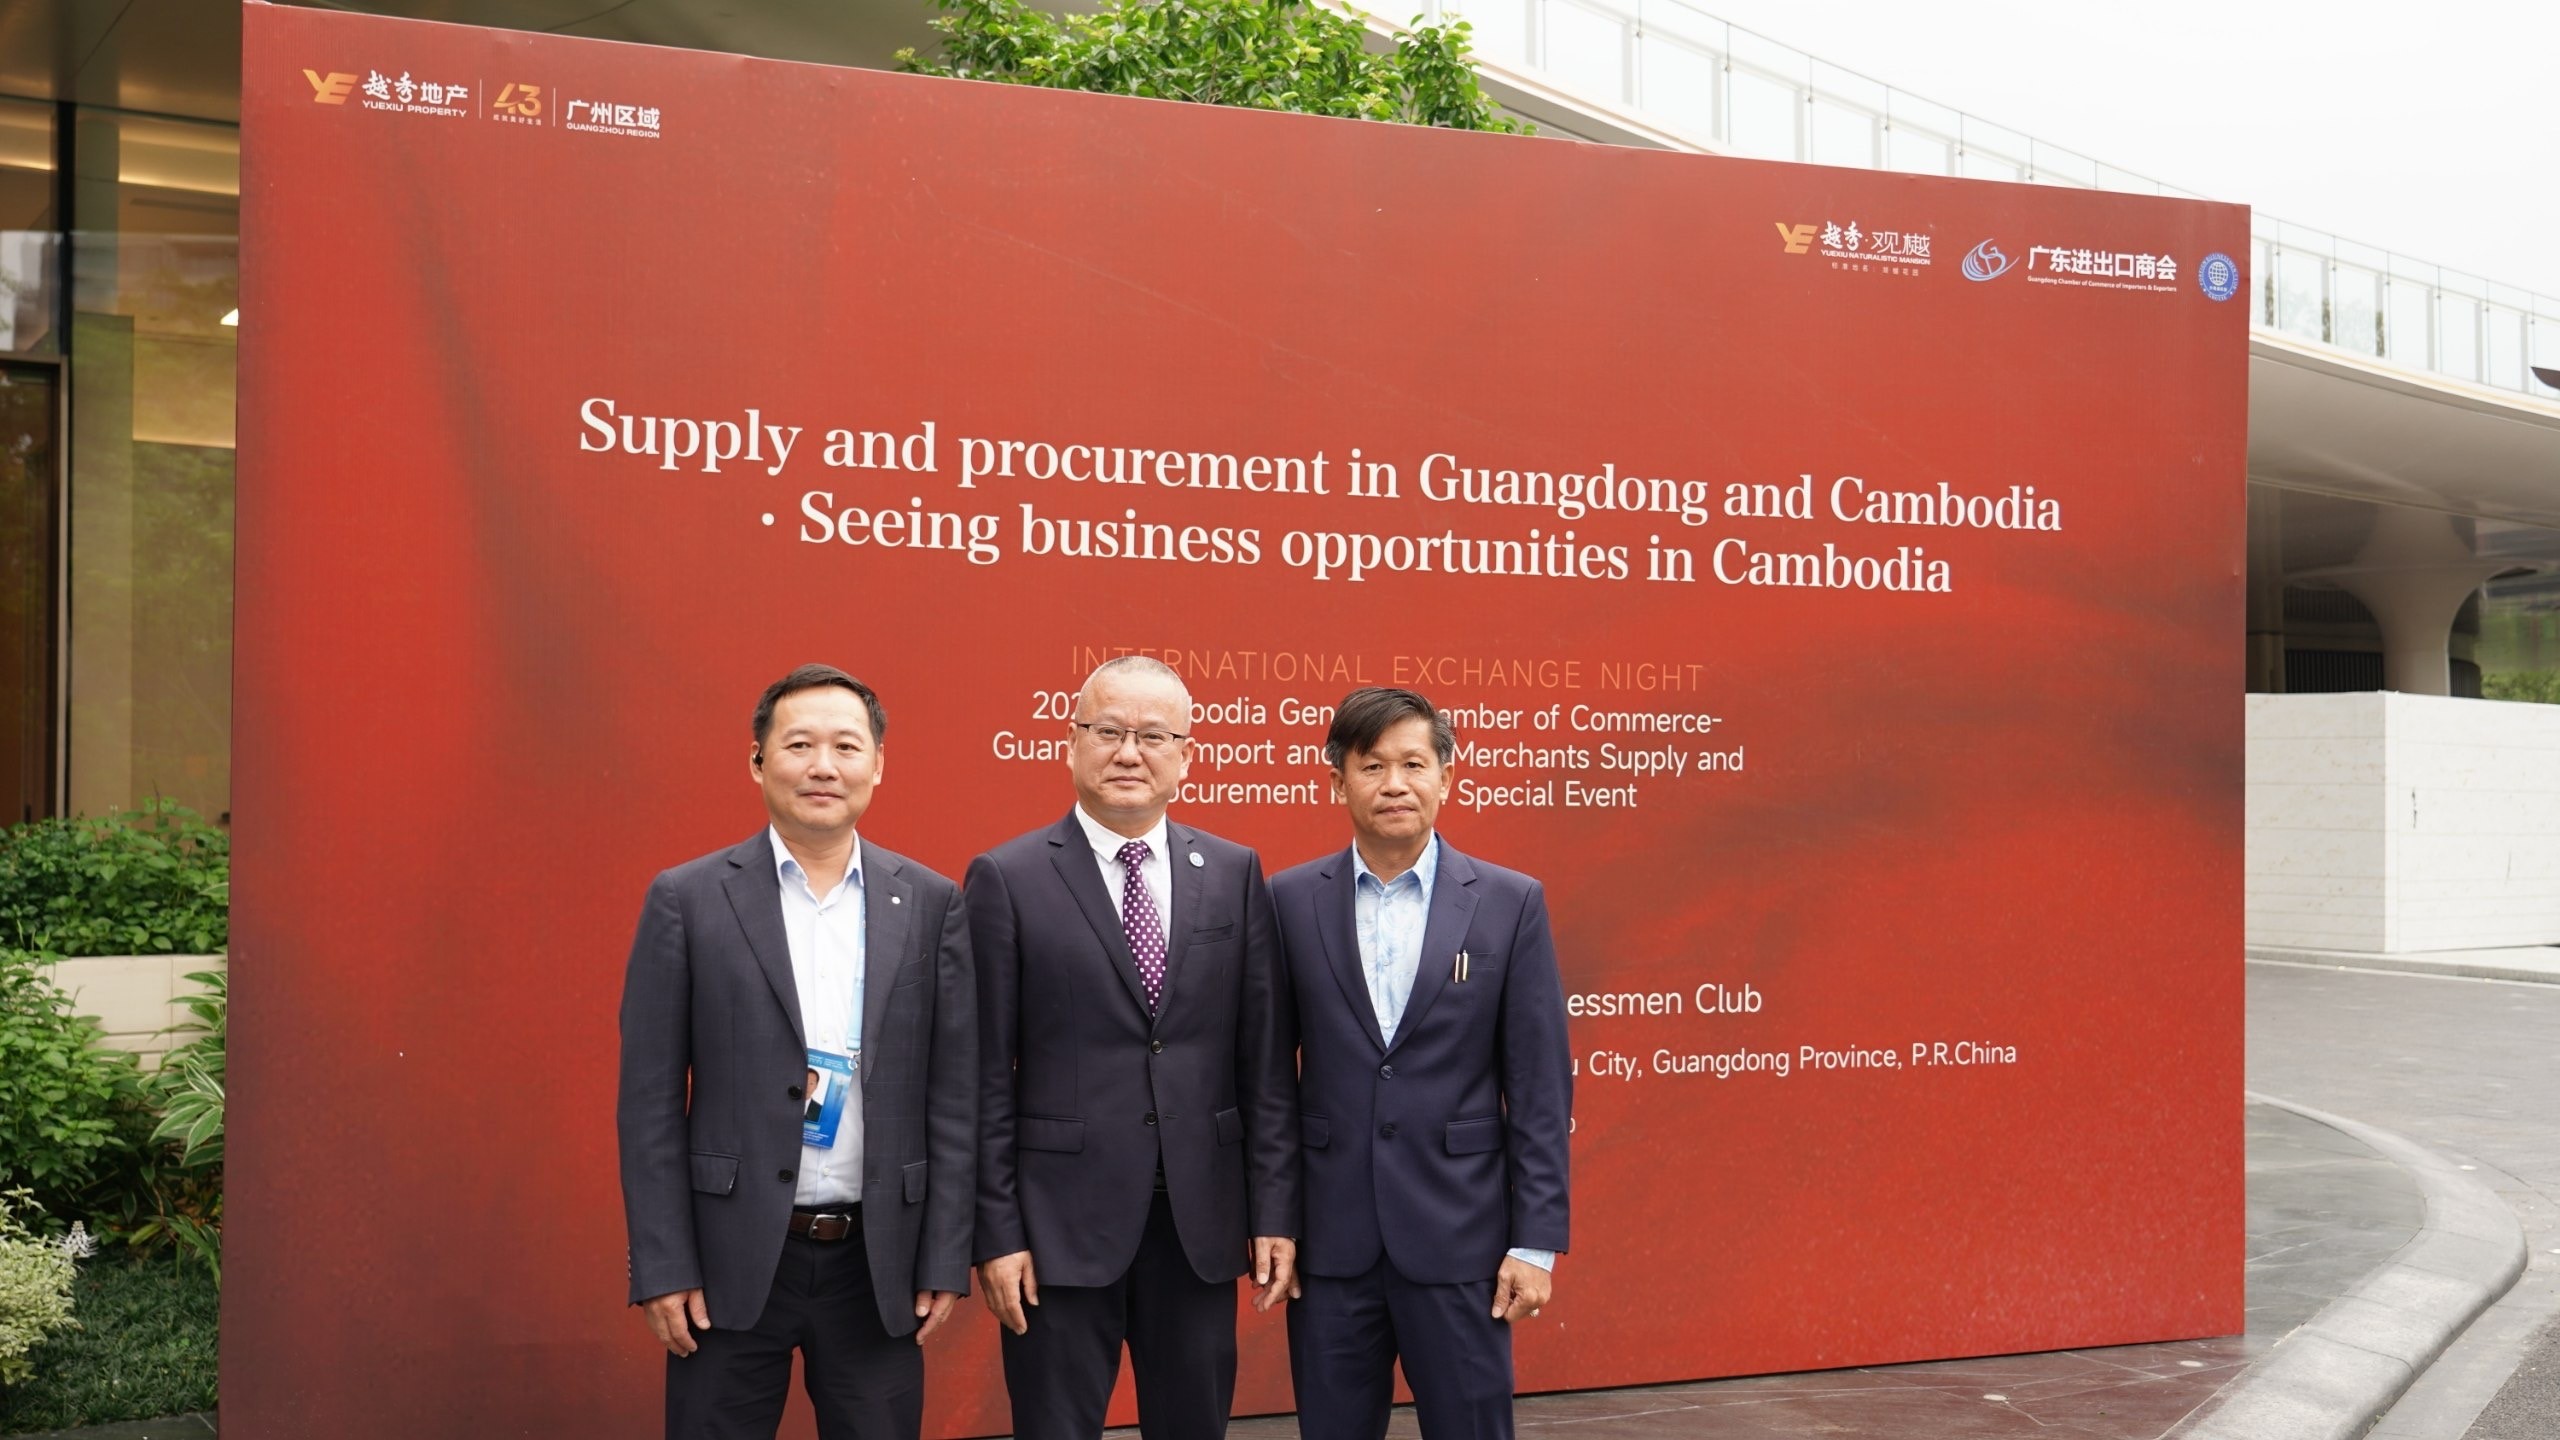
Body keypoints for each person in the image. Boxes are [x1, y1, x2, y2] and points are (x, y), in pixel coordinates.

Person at [618, 664, 976, 1440]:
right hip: (730, 1259)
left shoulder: (931, 902)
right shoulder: (688, 899)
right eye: (799, 744)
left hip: (875, 1262)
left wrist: (946, 1254)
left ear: (877, 765)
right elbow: (649, 1102)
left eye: (846, 746)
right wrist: (663, 1263)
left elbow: (953, 1094)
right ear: (758, 761)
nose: (823, 766)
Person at [966, 655, 1300, 1440]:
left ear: (1186, 756)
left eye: (1153, 736)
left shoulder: (1234, 872)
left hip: (1198, 1224)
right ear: (1071, 744)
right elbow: (981, 1078)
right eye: (1108, 730)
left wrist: (1275, 1210)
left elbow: (1264, 1066)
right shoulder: (1007, 878)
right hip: (1056, 1230)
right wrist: (997, 1233)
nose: (1129, 752)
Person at [1269, 686, 1571, 1440]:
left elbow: (1539, 1087)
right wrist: (1274, 1221)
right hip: (1330, 1244)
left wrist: (1535, 1244)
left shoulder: (1509, 902)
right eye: (1372, 766)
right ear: (1337, 781)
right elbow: (1269, 1082)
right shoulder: (1288, 901)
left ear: (1446, 777)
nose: (1394, 784)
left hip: (1462, 1241)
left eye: (1413, 764)